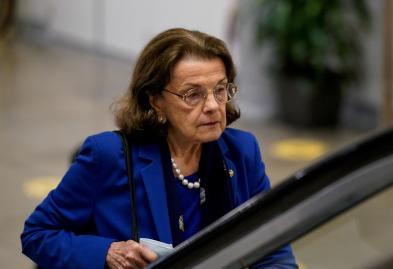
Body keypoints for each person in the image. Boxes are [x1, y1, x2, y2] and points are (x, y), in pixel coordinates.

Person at [21, 28, 297, 269]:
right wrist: (107, 253)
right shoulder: (108, 155)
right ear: (155, 100)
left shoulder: (242, 151)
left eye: (220, 89)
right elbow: (38, 233)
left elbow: (273, 247)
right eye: (194, 94)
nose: (213, 105)